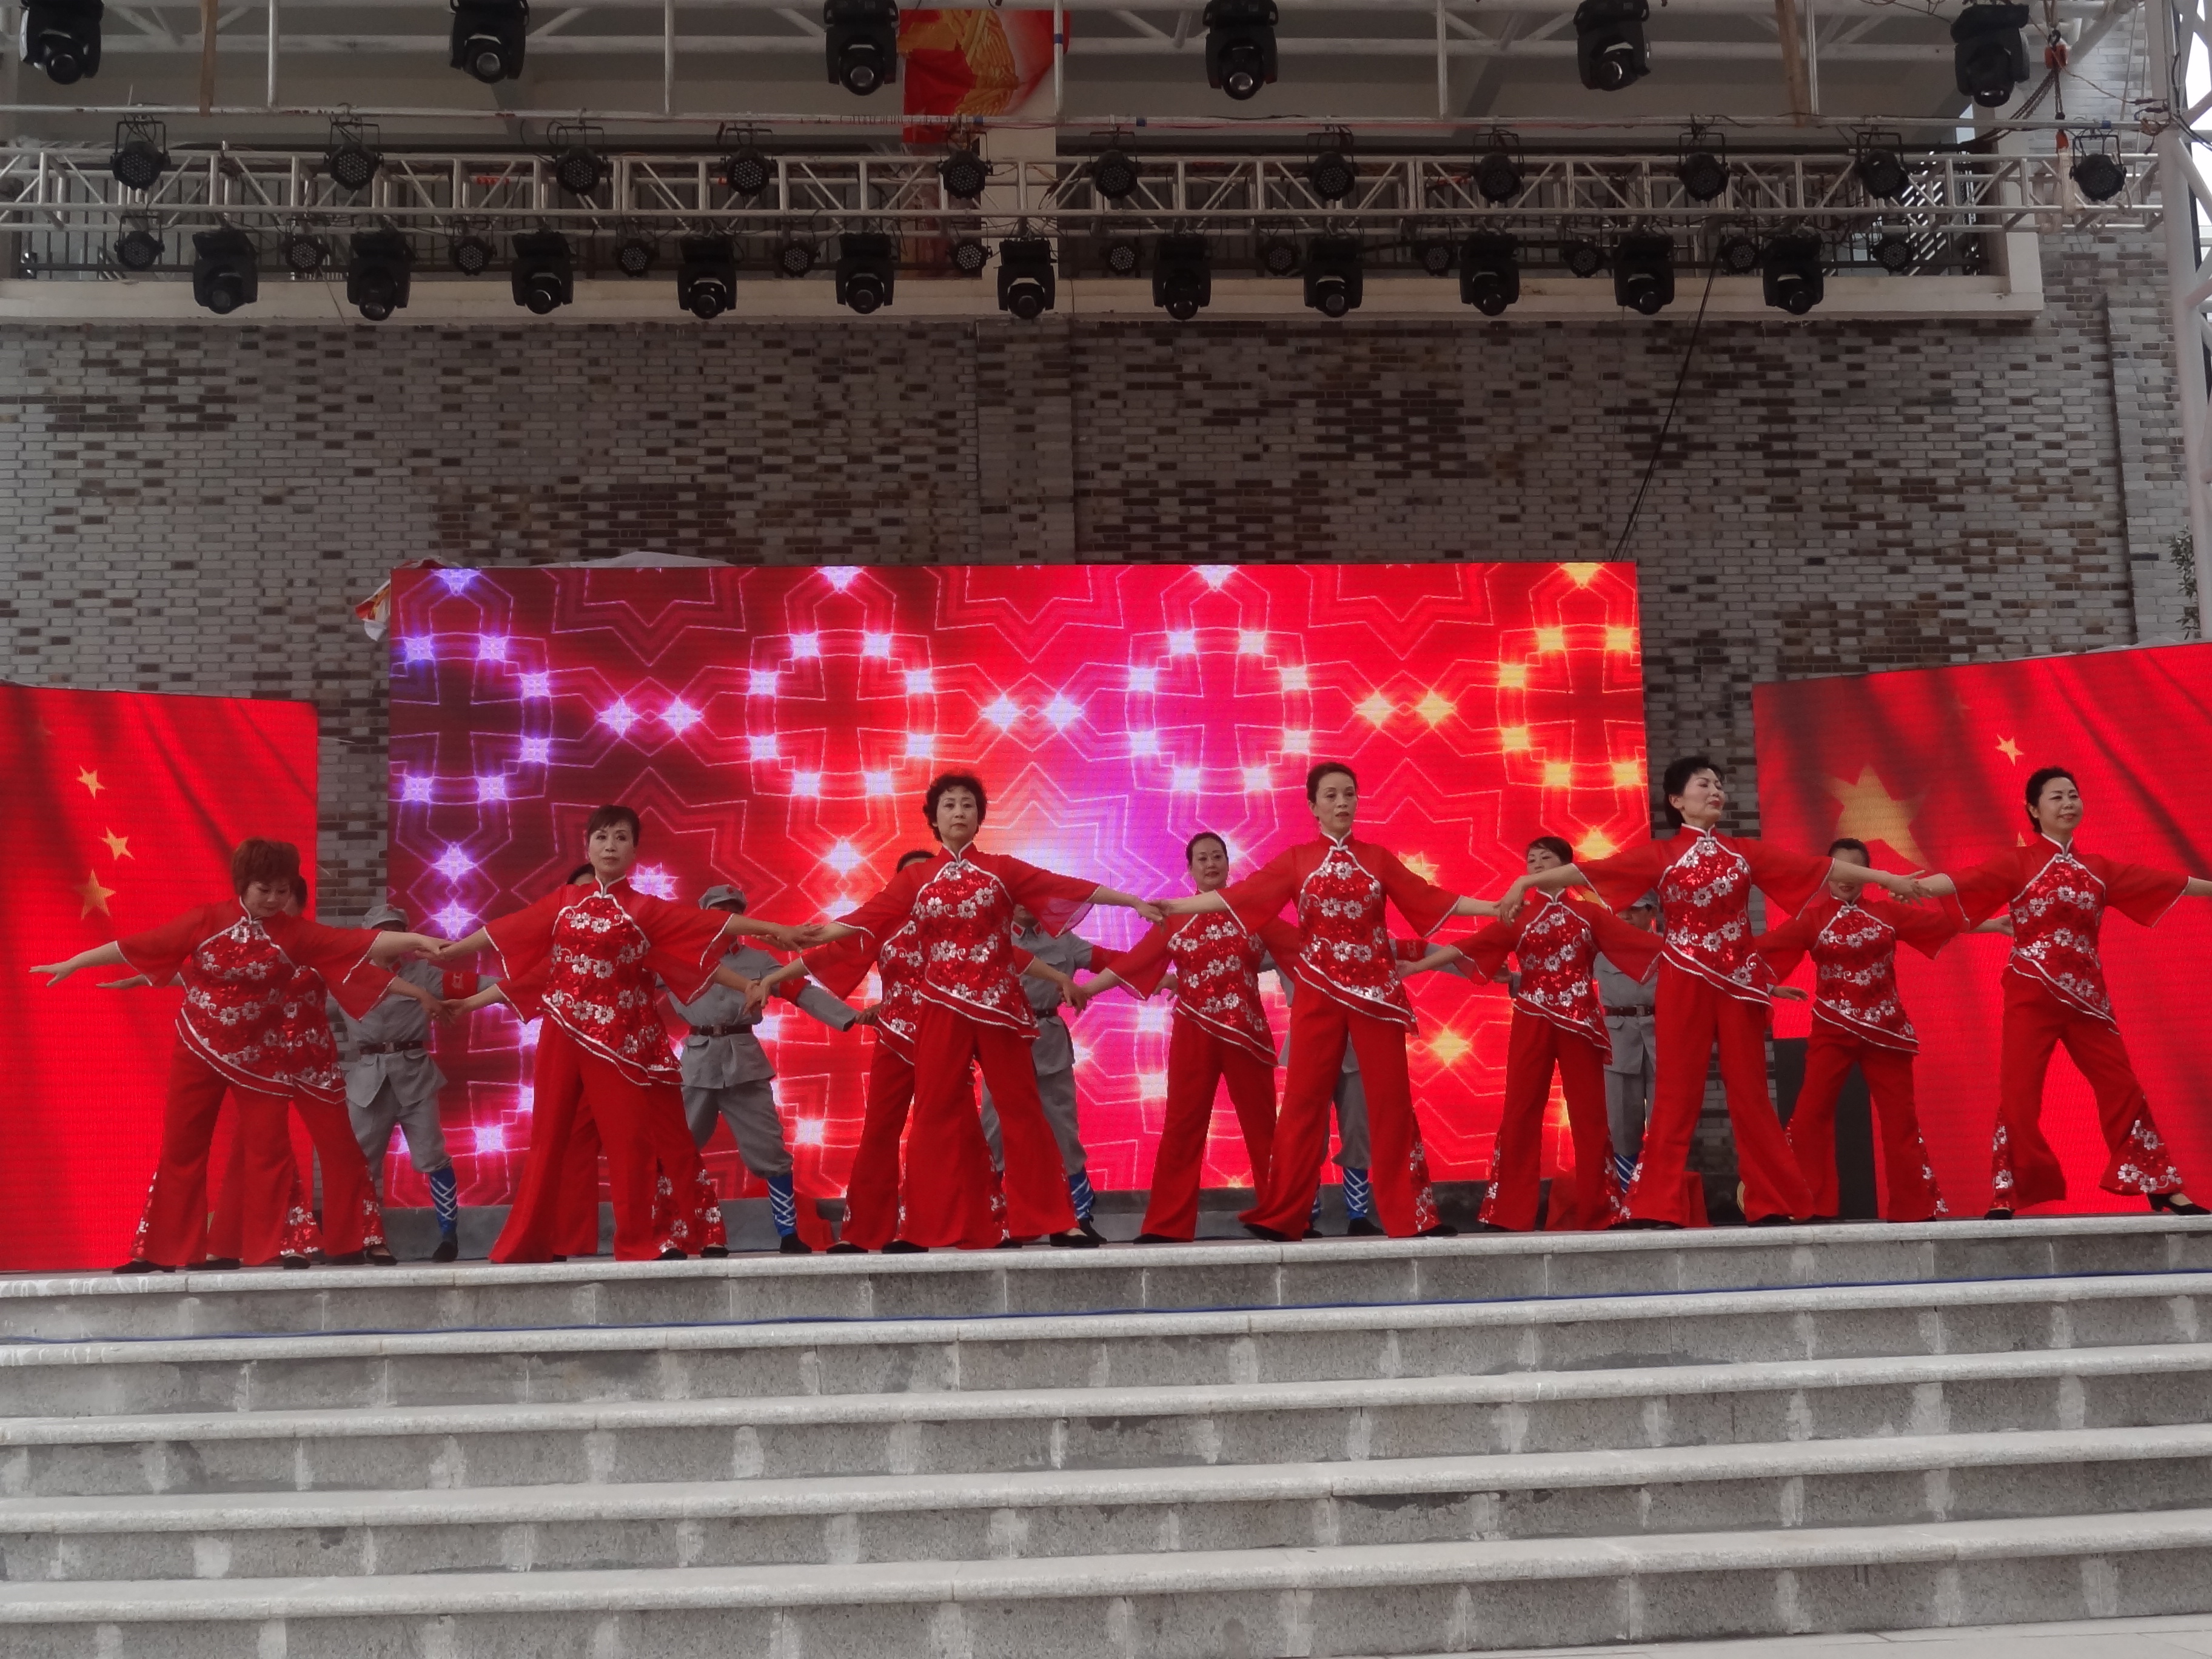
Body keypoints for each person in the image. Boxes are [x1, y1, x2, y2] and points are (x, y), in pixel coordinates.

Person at [1499, 755, 1932, 1227]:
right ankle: (1657, 1205)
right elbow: (1584, 874)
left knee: (1750, 1094)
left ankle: (1774, 1201)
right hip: (1684, 980)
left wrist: (1889, 879)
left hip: (1739, 985)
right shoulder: (1661, 855)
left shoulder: (1744, 852)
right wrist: (1526, 881)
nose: (1715, 791)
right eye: (1703, 784)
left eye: (1719, 785)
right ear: (1677, 800)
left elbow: (1822, 869)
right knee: (1675, 1094)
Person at [30, 838, 443, 1273]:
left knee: (269, 1151)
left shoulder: (297, 935)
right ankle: (161, 1253)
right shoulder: (207, 920)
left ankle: (281, 1246)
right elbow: (142, 944)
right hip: (198, 1047)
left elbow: (359, 944)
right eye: (265, 890)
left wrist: (417, 939)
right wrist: (76, 962)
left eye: (282, 891)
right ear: (243, 884)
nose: (274, 900)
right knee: (182, 1149)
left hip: (263, 1060)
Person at [792, 772, 1164, 1252]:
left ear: (979, 817)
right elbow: (862, 920)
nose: (959, 812)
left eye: (967, 804)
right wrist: (805, 938)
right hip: (941, 1007)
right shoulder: (915, 880)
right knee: (933, 1114)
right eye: (949, 805)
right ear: (934, 819)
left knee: (1023, 1111)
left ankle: (1059, 1220)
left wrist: (1132, 901)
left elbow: (1065, 886)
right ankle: (921, 1228)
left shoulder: (1001, 870)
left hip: (998, 1007)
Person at [432, 805, 796, 1262]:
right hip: (563, 1034)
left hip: (622, 1044)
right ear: (587, 845)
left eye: (621, 838)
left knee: (633, 1141)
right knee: (551, 1138)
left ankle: (649, 1238)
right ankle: (540, 1239)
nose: (610, 846)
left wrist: (772, 931)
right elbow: (507, 934)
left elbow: (707, 931)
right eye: (602, 837)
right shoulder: (564, 904)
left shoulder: (643, 911)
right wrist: (454, 953)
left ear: (635, 850)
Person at [1158, 761, 1498, 1241]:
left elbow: (1430, 897)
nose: (1342, 803)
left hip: (1376, 997)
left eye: (1349, 794)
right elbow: (1243, 897)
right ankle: (1284, 1216)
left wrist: (1494, 907)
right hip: (1318, 996)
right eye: (1331, 795)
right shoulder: (1297, 860)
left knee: (1391, 1104)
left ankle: (1414, 1217)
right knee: (1301, 1106)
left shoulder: (1377, 859)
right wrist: (1175, 906)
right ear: (1313, 806)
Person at [1911, 767, 2212, 1216]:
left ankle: (2160, 1184)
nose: (2069, 803)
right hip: (2031, 995)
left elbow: (2165, 882)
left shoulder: (2099, 870)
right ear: (2034, 810)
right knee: (2019, 1095)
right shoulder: (2018, 863)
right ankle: (2008, 1194)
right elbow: (1963, 880)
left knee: (2123, 1087)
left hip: (2089, 1001)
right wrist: (1909, 886)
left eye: (2074, 795)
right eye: (2057, 797)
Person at [771, 851, 1072, 1255]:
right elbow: (826, 955)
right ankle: (865, 1233)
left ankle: (985, 1227)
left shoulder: (953, 925)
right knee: (879, 1131)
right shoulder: (878, 929)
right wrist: (773, 978)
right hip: (895, 1039)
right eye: (910, 879)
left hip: (946, 1036)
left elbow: (1009, 954)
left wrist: (1059, 978)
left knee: (964, 1133)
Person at [1408, 836, 1662, 1232]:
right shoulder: (1519, 916)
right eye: (1531, 860)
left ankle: (1601, 1210)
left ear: (1566, 867)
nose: (1537, 864)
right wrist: (1415, 968)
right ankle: (1508, 1214)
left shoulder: (1589, 915)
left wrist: (1702, 956)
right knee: (1520, 1113)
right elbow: (1470, 946)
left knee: (1591, 1117)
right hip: (1532, 1019)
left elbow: (1640, 945)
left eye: (1547, 858)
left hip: (1581, 1024)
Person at [1074, 832, 1286, 1244]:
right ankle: (1167, 1225)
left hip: (1247, 1035)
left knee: (1265, 1128)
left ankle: (1282, 1216)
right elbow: (1134, 963)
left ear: (1228, 864)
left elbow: (1299, 948)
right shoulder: (1174, 919)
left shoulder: (1253, 913)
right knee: (1182, 1128)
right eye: (1202, 859)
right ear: (1190, 870)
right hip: (1194, 1034)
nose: (1211, 864)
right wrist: (1086, 990)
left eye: (1217, 857)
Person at [1755, 839, 1965, 1223]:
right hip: (1832, 1031)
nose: (1847, 877)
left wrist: (1993, 925)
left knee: (1900, 1121)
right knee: (1809, 1116)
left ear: (1868, 875)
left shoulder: (1886, 914)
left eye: (1856, 868)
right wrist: (1768, 987)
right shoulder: (1812, 920)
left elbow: (1944, 924)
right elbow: (1757, 954)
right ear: (1827, 874)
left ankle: (1913, 1208)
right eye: (1840, 869)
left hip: (1887, 1032)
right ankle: (1811, 1204)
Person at [666, 883, 860, 1255]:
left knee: (769, 1148)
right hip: (696, 1064)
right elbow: (634, 980)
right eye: (718, 911)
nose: (726, 918)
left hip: (745, 1062)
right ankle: (678, 1234)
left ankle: (788, 1233)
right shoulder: (679, 956)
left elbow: (800, 991)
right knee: (677, 1148)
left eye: (733, 911)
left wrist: (849, 1017)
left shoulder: (758, 960)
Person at [337, 900, 484, 1263]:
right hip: (368, 1080)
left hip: (415, 1075)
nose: (391, 938)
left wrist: (529, 985)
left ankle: (448, 1237)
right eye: (383, 932)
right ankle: (365, 1239)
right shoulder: (345, 976)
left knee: (432, 1155)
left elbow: (477, 984)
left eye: (397, 931)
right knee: (359, 1164)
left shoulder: (422, 974)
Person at [979, 904, 1108, 1239]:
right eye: (1019, 897)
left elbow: (1109, 961)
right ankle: (992, 1221)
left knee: (1063, 1132)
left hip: (1048, 1042)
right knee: (994, 1134)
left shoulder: (1063, 939)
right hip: (1003, 1042)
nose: (1026, 904)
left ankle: (1076, 1218)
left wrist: (1156, 967)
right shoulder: (988, 936)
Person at [1595, 897, 1660, 1186]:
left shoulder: (1672, 948)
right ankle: (1624, 1190)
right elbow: (1560, 975)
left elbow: (1714, 975)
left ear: (1652, 912)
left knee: (1665, 1126)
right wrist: (1514, 980)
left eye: (1634, 909)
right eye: (1621, 910)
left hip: (1663, 1041)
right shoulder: (1601, 950)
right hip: (1619, 1043)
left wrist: (1767, 987)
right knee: (1621, 1125)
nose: (1626, 915)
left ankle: (1658, 1192)